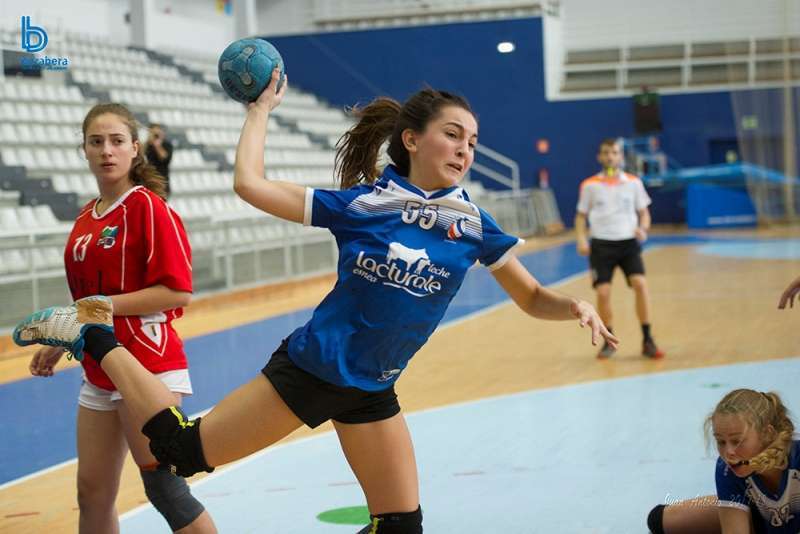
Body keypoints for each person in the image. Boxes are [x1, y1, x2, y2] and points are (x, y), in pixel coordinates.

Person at [14, 70, 617, 533]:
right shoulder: (363, 204)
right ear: (412, 140)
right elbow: (250, 184)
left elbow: (531, 296)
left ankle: (93, 333)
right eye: (453, 135)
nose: (465, 150)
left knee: (400, 527)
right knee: (179, 452)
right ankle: (93, 335)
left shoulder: (473, 223)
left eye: (473, 141)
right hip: (309, 372)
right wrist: (259, 111)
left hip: (372, 388)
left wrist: (573, 307)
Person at [26, 103, 216, 533]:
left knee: (165, 490)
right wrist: (62, 338)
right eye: (96, 142)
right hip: (98, 368)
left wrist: (89, 311)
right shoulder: (85, 218)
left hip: (146, 363)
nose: (106, 151)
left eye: (116, 141)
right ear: (84, 150)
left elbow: (178, 291)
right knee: (92, 494)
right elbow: (85, 302)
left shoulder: (148, 207)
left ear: (135, 148)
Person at [646, 388, 797, 534]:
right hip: (756, 518)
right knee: (659, 520)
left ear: (767, 434)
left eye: (736, 441)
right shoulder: (726, 467)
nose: (728, 452)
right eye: (721, 442)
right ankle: (737, 503)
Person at [575, 138, 664, 359]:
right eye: (606, 153)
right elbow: (580, 216)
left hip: (628, 244)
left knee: (640, 284)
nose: (610, 156)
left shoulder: (633, 182)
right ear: (600, 157)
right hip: (601, 245)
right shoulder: (589, 185)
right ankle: (608, 339)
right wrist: (581, 239)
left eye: (614, 152)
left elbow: (644, 213)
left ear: (620, 157)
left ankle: (647, 339)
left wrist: (643, 228)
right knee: (603, 292)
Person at [144, 123, 174, 198]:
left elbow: (164, 158)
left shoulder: (167, 145)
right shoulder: (148, 145)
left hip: (162, 181)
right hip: (150, 180)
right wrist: (149, 141)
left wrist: (157, 145)